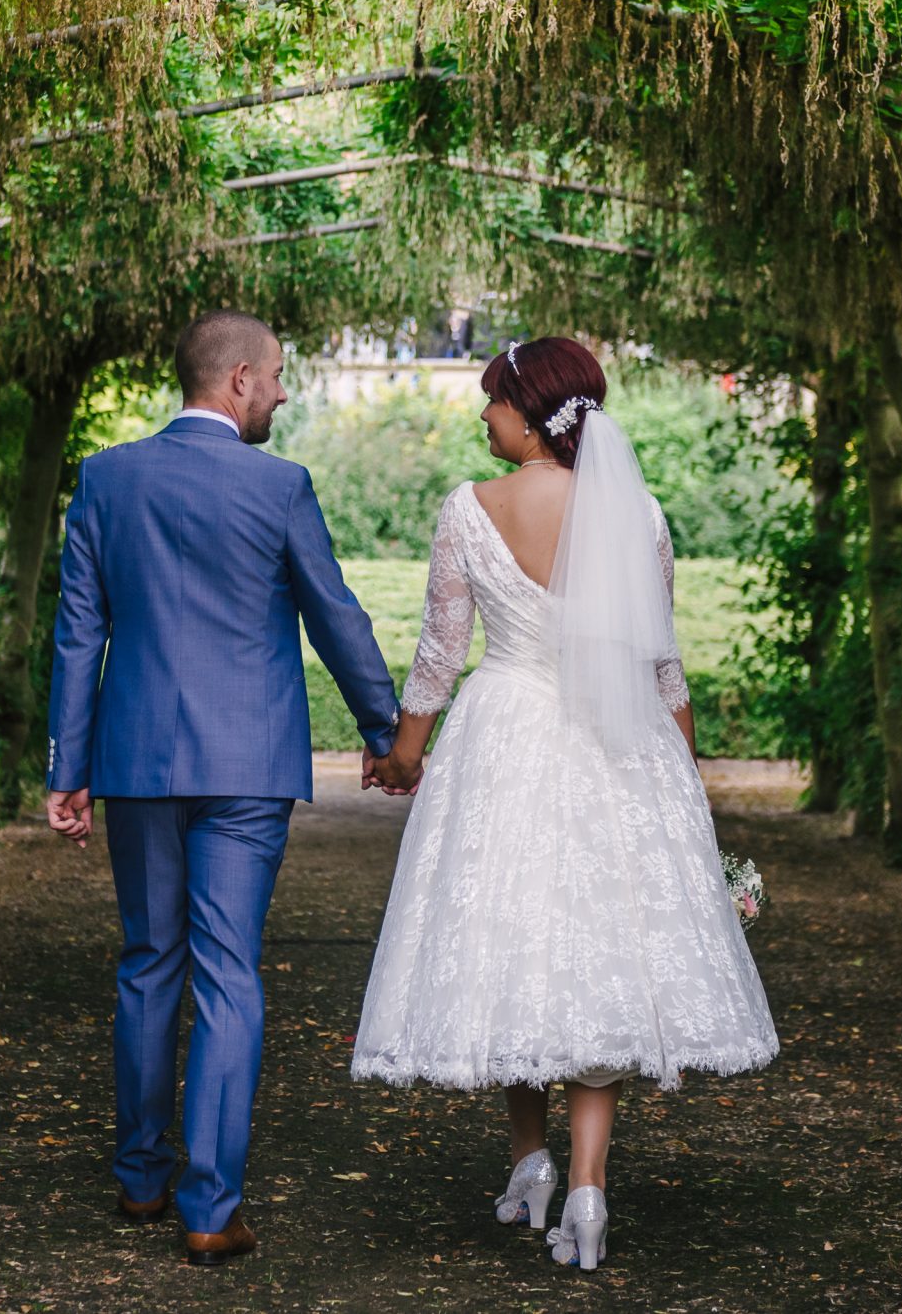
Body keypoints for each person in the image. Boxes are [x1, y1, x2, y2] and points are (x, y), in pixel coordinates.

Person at [349, 336, 778, 1271]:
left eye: (493, 400)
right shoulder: (640, 515)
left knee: (511, 942)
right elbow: (664, 668)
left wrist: (402, 755)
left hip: (502, 735)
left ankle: (528, 1159)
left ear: (532, 408)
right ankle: (587, 1185)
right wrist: (685, 790)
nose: (483, 416)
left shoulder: (470, 508)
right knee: (602, 961)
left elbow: (438, 653)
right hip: (618, 743)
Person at [43, 311, 401, 1266]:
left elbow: (81, 633)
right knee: (228, 972)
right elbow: (336, 616)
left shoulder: (107, 478)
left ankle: (139, 1179)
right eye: (279, 375)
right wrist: (385, 731)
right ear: (238, 379)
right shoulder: (279, 485)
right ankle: (210, 1208)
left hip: (135, 764)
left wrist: (65, 771)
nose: (285, 391)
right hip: (246, 766)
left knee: (148, 961)